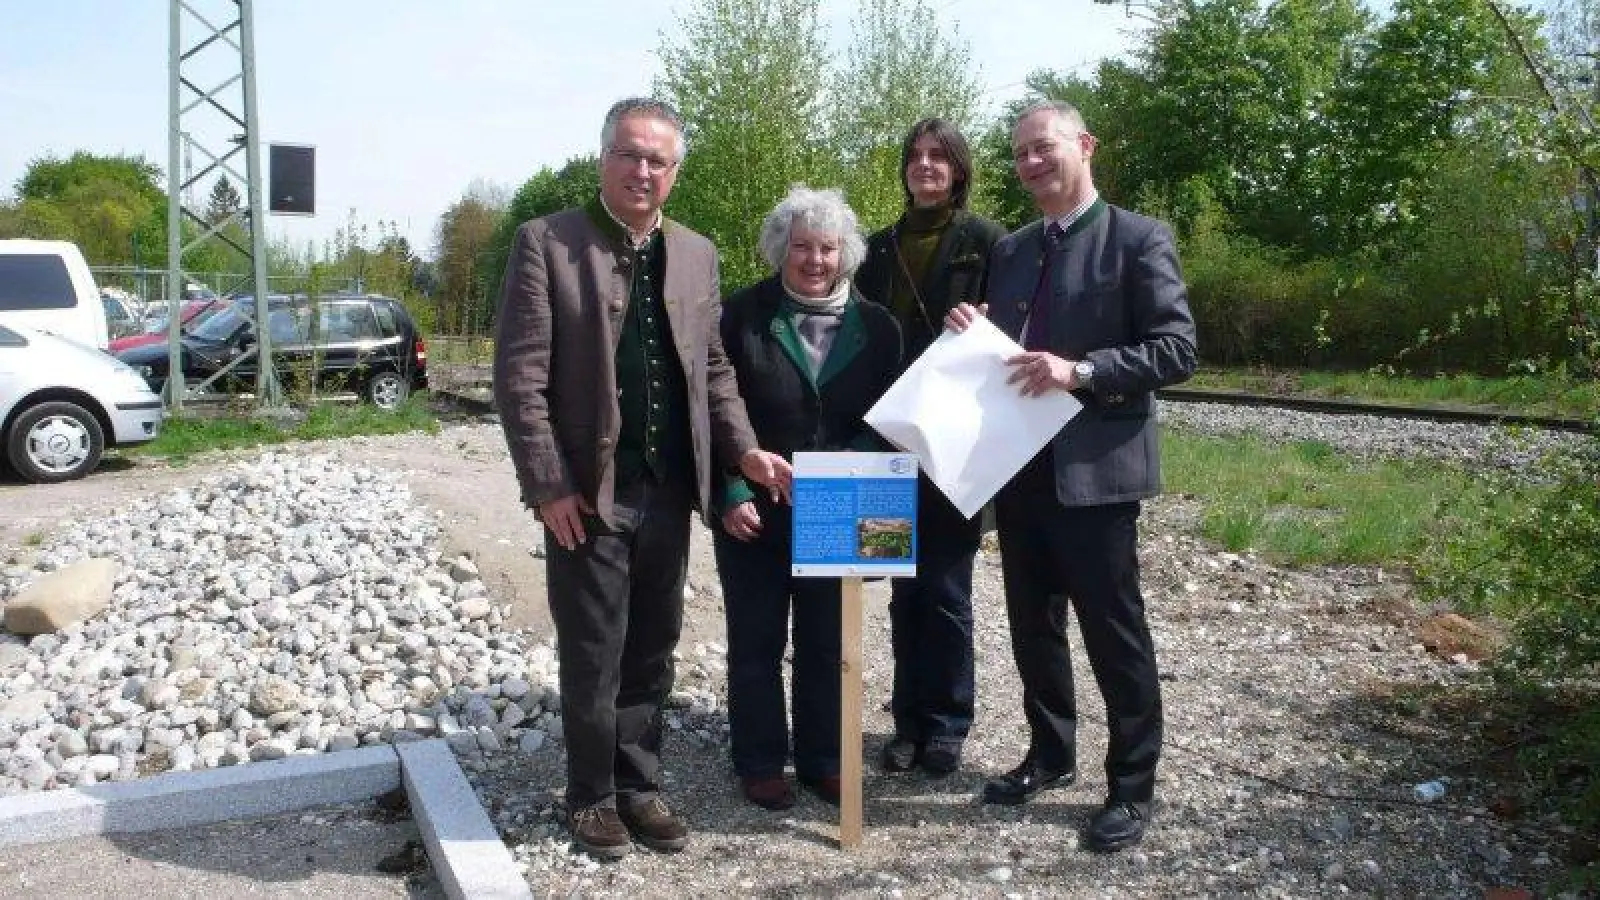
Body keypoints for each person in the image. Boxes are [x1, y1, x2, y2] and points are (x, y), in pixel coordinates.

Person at [493, 97, 792, 861]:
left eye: (658, 160)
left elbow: (713, 369)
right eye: (629, 154)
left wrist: (744, 453)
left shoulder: (696, 252)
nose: (642, 170)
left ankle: (639, 783)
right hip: (588, 494)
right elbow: (520, 379)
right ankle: (590, 794)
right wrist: (548, 484)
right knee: (594, 648)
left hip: (669, 490)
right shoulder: (546, 242)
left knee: (654, 645)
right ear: (604, 159)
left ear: (675, 173)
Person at [945, 100, 1197, 852]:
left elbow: (1176, 350)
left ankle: (1131, 785)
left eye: (1043, 148)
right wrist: (976, 331)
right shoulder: (1015, 249)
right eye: (1020, 153)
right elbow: (1014, 349)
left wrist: (1081, 371)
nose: (1030, 164)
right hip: (1019, 470)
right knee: (1033, 628)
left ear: (1084, 145)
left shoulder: (1139, 239)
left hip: (1098, 475)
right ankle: (1050, 754)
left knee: (1114, 635)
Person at [715, 185, 902, 811]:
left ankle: (825, 758)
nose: (814, 260)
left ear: (845, 253)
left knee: (830, 639)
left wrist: (859, 463)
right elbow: (715, 410)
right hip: (756, 511)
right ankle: (762, 760)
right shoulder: (739, 315)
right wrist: (731, 489)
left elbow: (892, 419)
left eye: (827, 248)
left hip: (843, 504)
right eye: (801, 247)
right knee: (757, 639)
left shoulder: (880, 327)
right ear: (779, 250)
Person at [853, 118, 1006, 777]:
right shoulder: (877, 246)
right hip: (888, 440)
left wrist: (986, 322)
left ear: (959, 168)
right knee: (901, 587)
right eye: (914, 156)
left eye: (938, 157)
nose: (925, 166)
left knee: (945, 587)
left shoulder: (990, 242)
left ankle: (946, 725)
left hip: (953, 442)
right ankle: (907, 725)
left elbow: (1011, 333)